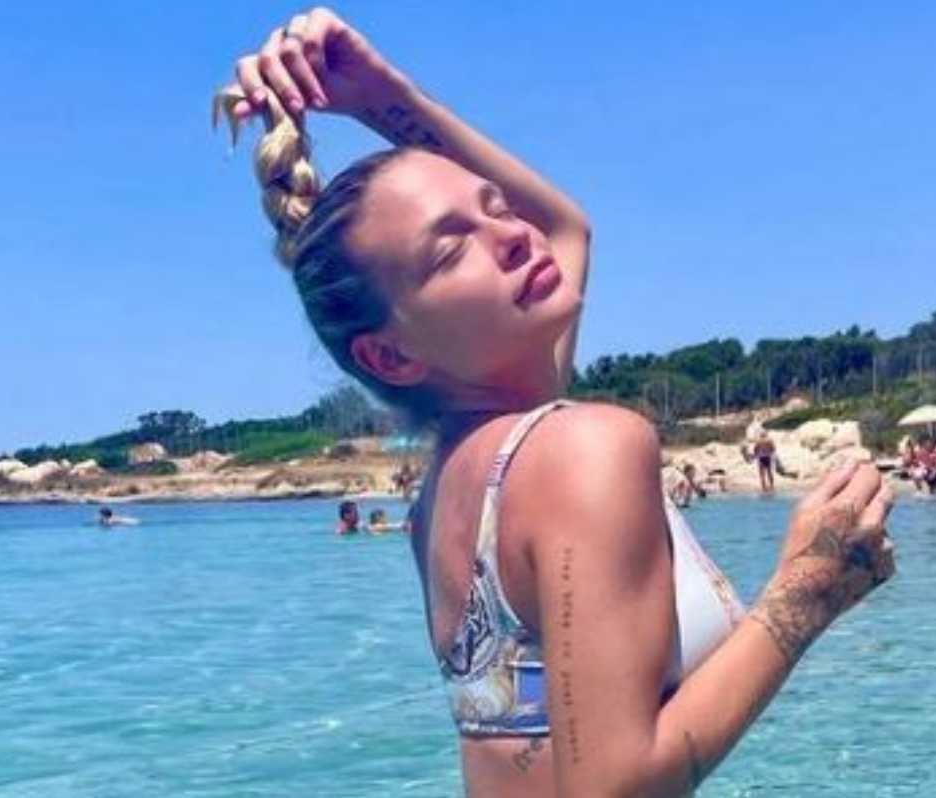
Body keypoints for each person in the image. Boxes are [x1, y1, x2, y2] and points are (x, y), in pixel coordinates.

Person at [217, 10, 896, 794]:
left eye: (495, 208)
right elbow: (610, 788)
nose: (511, 235)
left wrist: (382, 95)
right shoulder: (580, 448)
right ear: (389, 355)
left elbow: (561, 227)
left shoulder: (459, 485)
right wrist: (808, 591)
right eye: (451, 248)